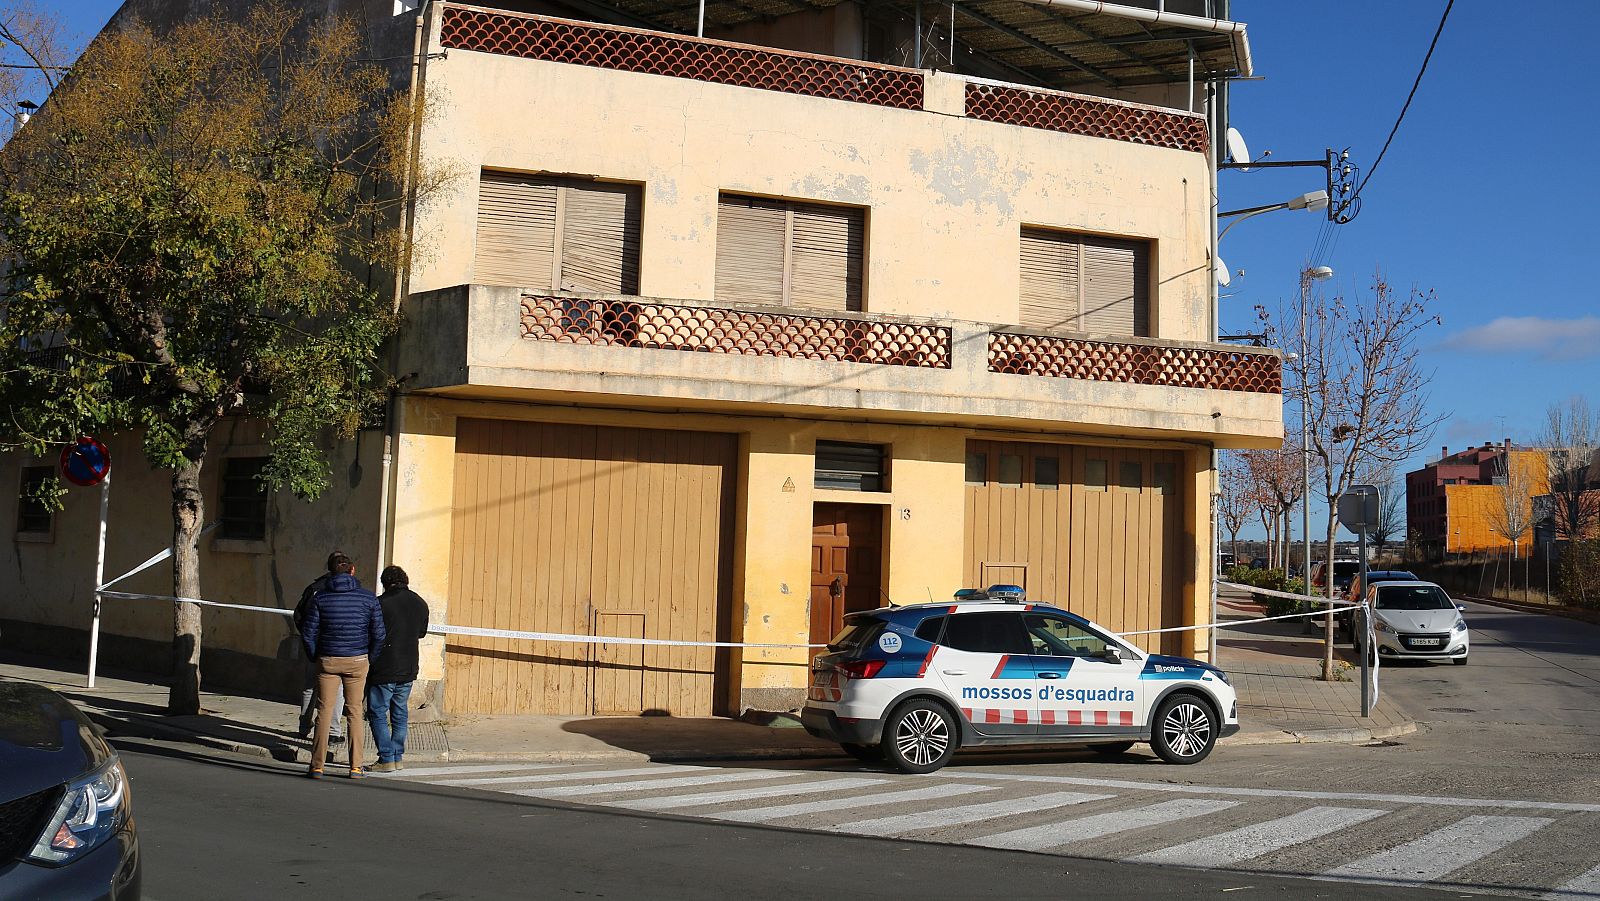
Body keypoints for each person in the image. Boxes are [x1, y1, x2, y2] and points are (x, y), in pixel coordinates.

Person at [299, 559, 385, 779]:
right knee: (355, 711)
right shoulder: (368, 598)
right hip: (357, 659)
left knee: (324, 710)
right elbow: (379, 633)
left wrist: (314, 655)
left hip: (328, 658)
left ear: (330, 572)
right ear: (352, 571)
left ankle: (317, 766)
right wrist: (370, 658)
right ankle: (355, 766)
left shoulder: (321, 598)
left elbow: (308, 632)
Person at [366, 566, 431, 773]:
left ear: (385, 583)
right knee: (400, 711)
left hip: (384, 665)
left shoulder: (380, 603)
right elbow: (421, 633)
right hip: (409, 664)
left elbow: (371, 633)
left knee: (377, 711)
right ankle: (397, 756)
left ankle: (386, 758)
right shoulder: (420, 602)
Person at [293, 551, 349, 741]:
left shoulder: (314, 589)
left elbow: (299, 616)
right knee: (337, 689)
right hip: (337, 648)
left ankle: (303, 726)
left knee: (310, 687)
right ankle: (333, 731)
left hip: (314, 646)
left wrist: (309, 642)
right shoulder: (349, 591)